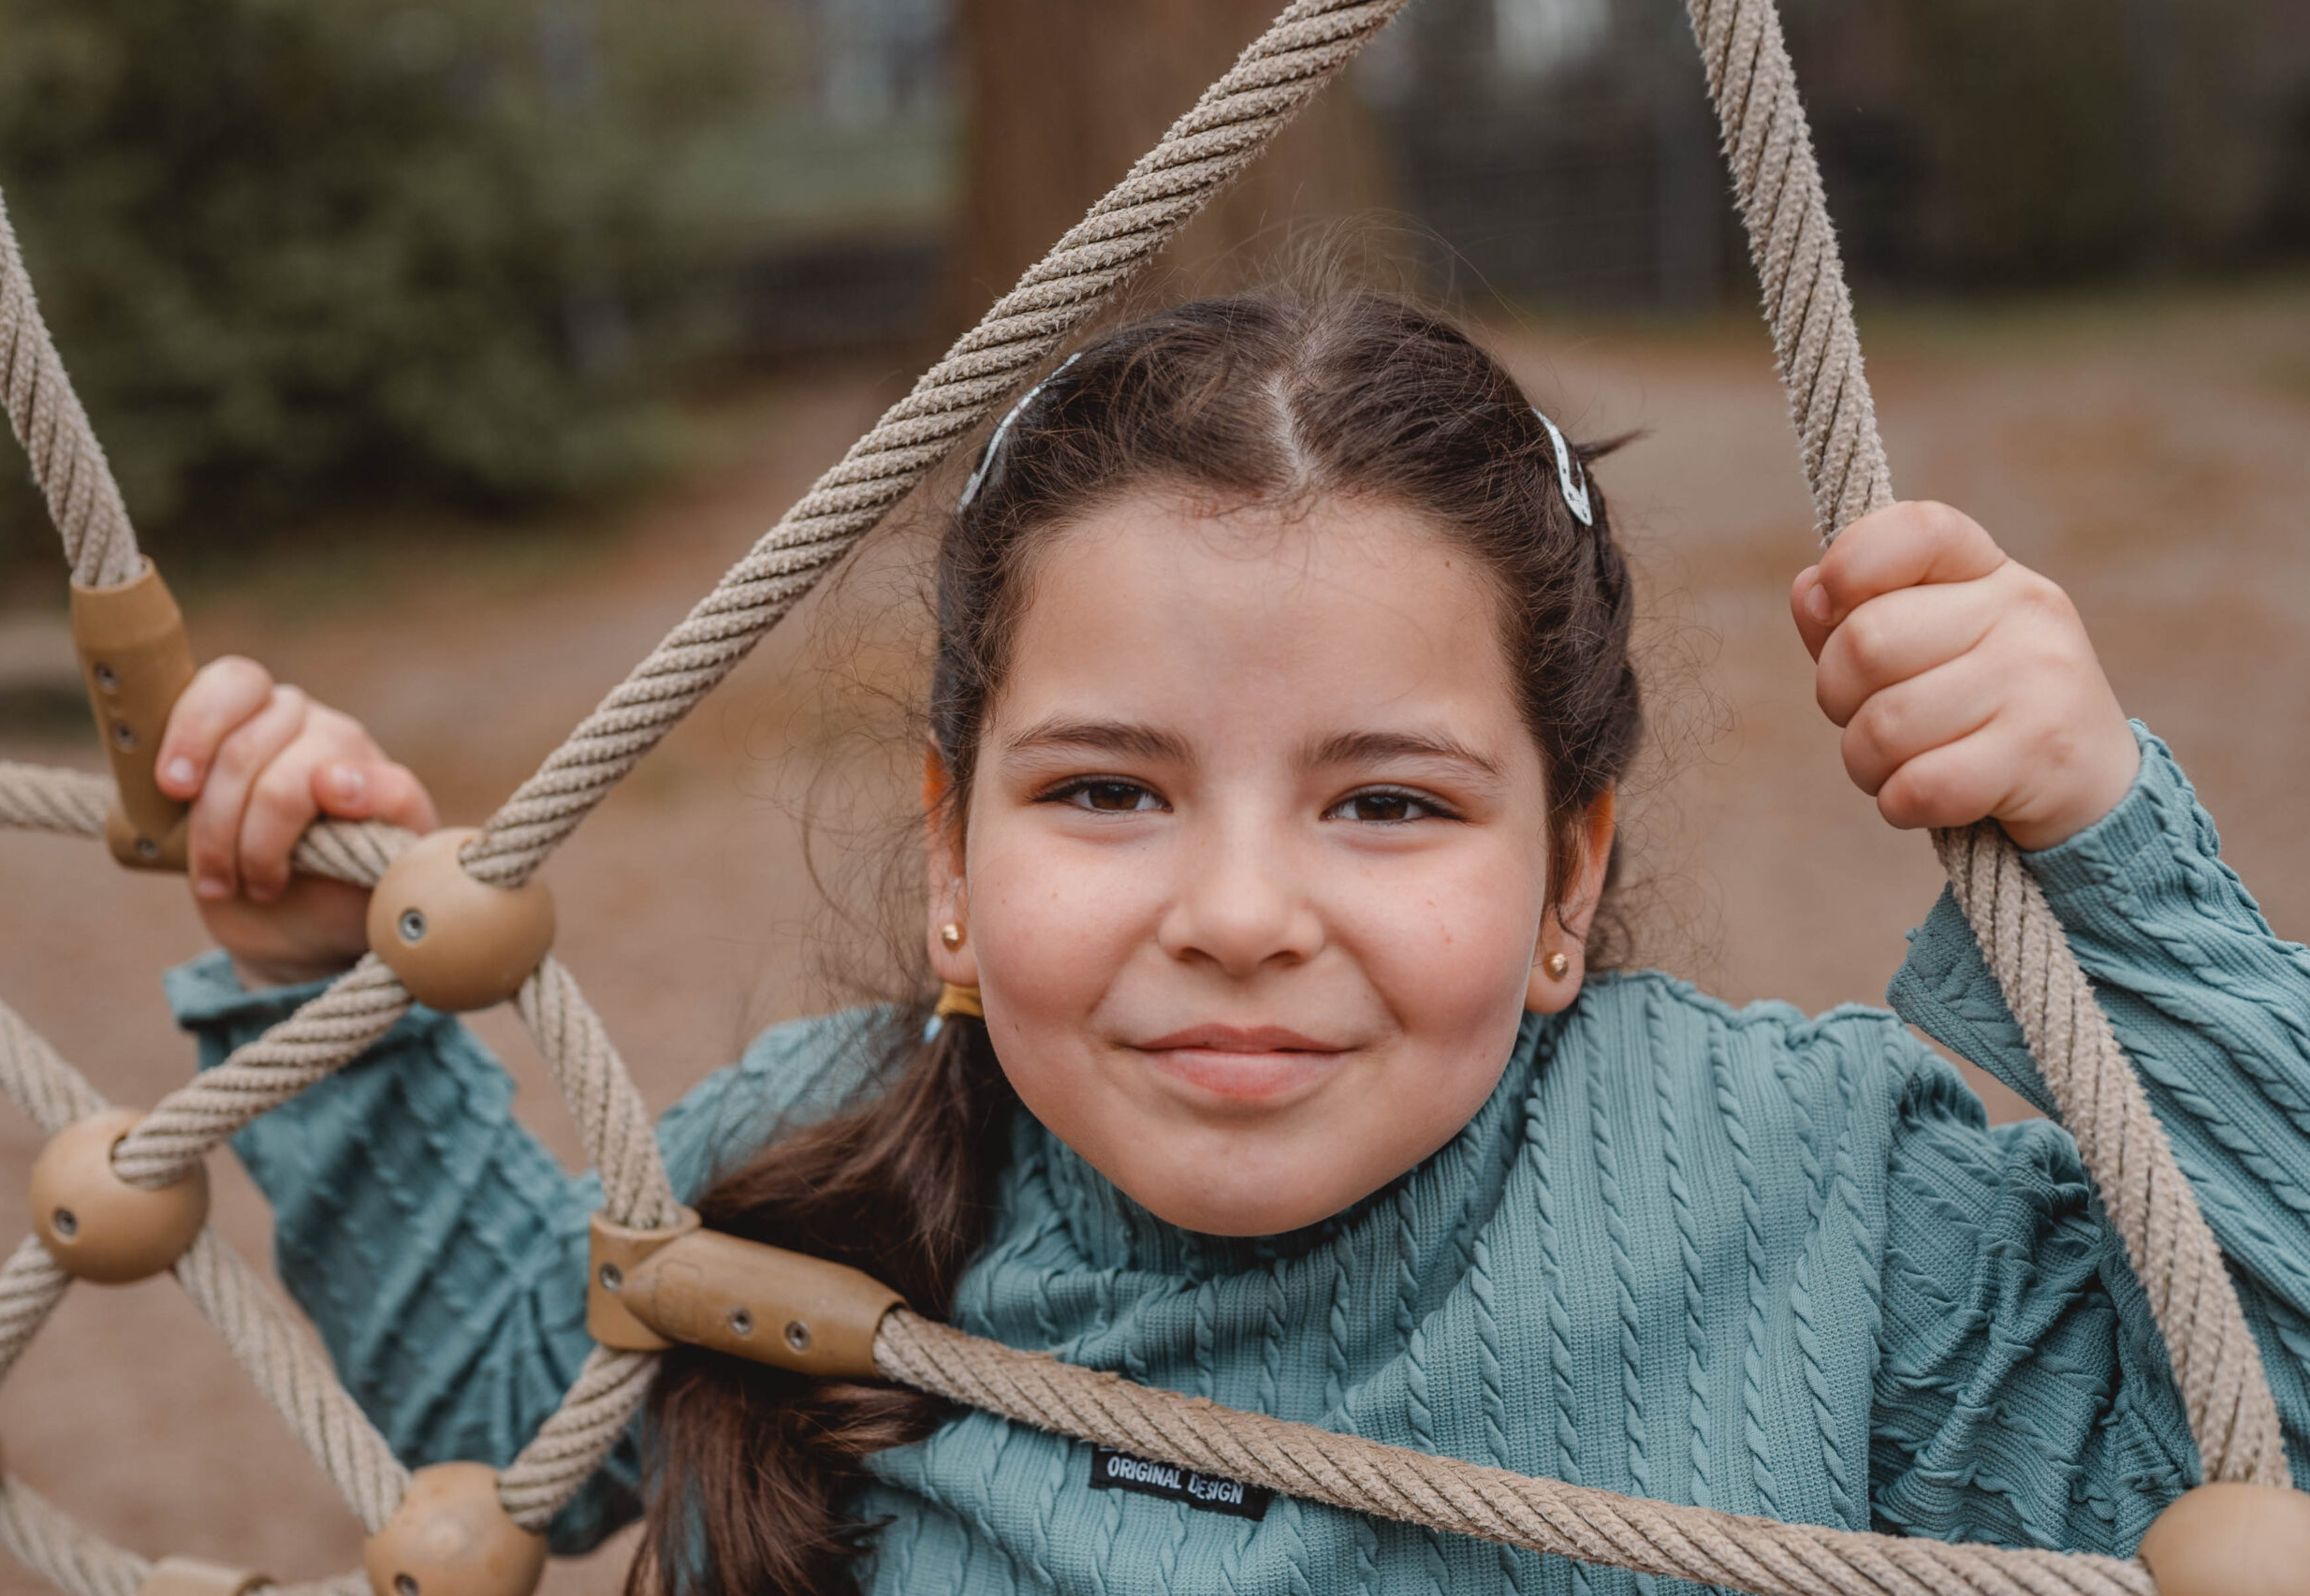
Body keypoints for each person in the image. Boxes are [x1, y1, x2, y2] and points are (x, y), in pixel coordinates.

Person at [155, 291, 2310, 1596]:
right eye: (1106, 791)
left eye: (1387, 803)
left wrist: (2101, 849)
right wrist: (312, 980)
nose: (1240, 917)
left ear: (1564, 884)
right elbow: (503, 1406)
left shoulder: (1808, 1194)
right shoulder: (822, 1168)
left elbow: (2256, 1425)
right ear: (951, 854)